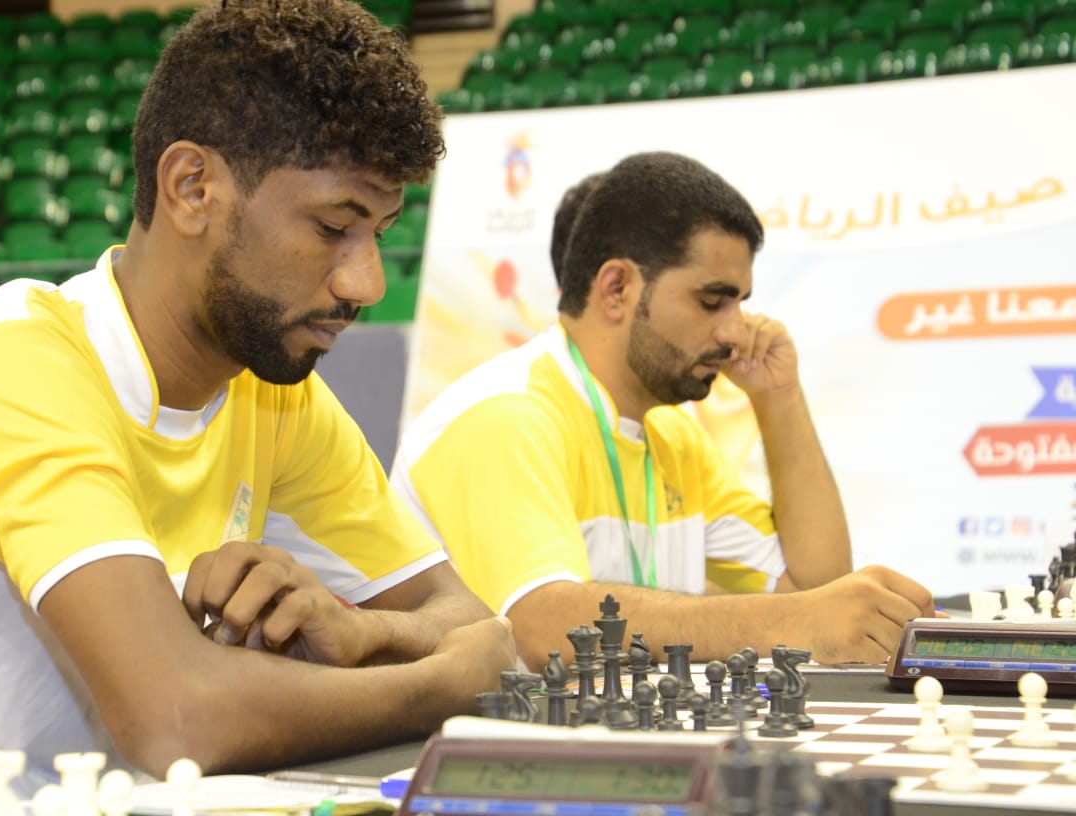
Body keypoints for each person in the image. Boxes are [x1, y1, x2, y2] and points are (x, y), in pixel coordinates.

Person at [0, 0, 516, 795]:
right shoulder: (5, 362)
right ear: (192, 187)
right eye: (334, 227)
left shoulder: (272, 396)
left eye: (381, 233)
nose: (364, 282)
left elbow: (466, 621)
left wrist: (361, 632)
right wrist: (439, 687)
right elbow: (177, 718)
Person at [390, 151, 935, 672]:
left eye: (740, 303)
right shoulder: (504, 414)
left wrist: (779, 397)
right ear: (617, 288)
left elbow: (815, 589)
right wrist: (788, 621)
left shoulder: (675, 435)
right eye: (712, 301)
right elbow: (542, 627)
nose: (735, 331)